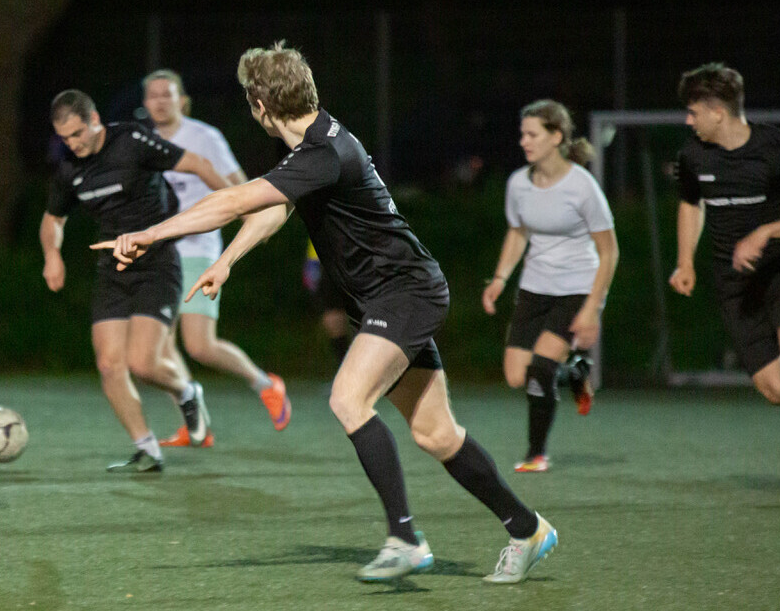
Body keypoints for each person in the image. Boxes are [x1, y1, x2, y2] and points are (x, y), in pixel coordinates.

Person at [95, 42, 558, 584]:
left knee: (347, 398)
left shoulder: (323, 153)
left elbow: (234, 200)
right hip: (396, 294)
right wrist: (227, 259)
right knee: (436, 434)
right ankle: (528, 529)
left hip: (403, 294)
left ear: (260, 106)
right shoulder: (312, 148)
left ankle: (404, 538)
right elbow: (271, 210)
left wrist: (149, 233)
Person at [669, 62, 780, 506]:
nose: (688, 121)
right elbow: (691, 206)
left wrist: (766, 232)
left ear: (717, 111)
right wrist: (684, 261)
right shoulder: (692, 156)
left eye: (693, 112)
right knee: (777, 391)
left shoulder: (775, 147)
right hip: (734, 281)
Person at [40, 89, 231, 472]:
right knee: (110, 365)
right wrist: (52, 256)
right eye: (65, 138)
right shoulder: (70, 170)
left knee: (143, 364)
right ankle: (147, 448)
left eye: (78, 133)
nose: (74, 144)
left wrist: (235, 200)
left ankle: (187, 392)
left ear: (95, 119)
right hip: (113, 268)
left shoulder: (131, 140)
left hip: (158, 261)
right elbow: (52, 220)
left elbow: (196, 163)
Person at [141, 69, 291, 446]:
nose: (160, 100)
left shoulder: (204, 137)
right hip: (160, 253)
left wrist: (254, 224)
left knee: (199, 345)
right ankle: (196, 426)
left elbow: (239, 184)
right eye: (153, 95)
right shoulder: (142, 140)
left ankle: (265, 384)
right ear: (145, 103)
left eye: (167, 94)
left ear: (182, 100)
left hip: (198, 248)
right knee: (158, 349)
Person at [481, 100, 619, 473]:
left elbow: (609, 252)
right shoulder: (518, 184)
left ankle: (536, 453)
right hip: (534, 287)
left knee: (541, 366)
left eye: (533, 134)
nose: (524, 141)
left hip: (576, 286)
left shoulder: (582, 187)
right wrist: (499, 280)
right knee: (515, 375)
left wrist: (592, 307)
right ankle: (574, 371)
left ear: (556, 137)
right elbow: (518, 232)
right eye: (522, 134)